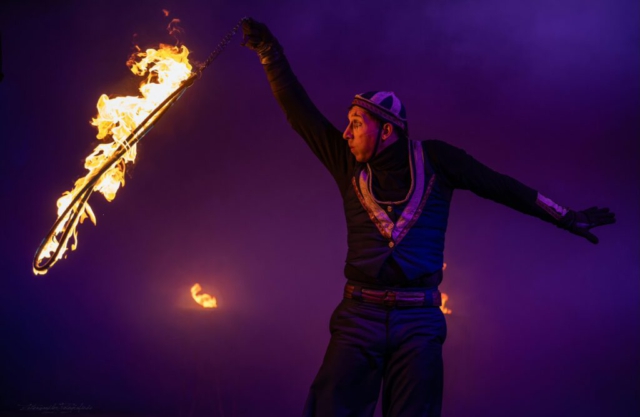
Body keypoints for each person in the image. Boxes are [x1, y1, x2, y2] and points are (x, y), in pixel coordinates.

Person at [241, 18, 615, 417]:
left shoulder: (437, 160)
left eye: (355, 123)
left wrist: (565, 216)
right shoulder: (347, 164)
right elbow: (301, 115)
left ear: (386, 131)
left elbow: (502, 186)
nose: (345, 134)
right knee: (331, 408)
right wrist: (270, 54)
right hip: (357, 317)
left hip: (418, 319)